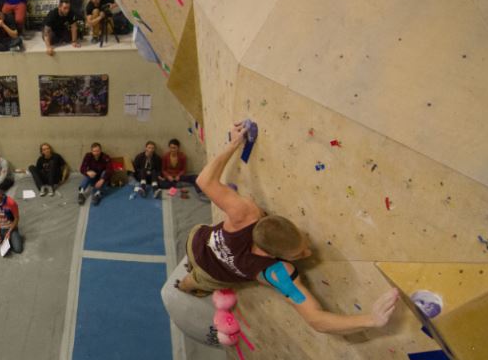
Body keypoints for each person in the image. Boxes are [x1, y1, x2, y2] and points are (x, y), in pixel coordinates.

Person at [169, 122, 399, 334]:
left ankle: (189, 276)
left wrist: (233, 143)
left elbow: (205, 181)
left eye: (304, 246)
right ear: (272, 255)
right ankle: (184, 286)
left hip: (198, 240)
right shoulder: (278, 272)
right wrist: (372, 320)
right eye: (298, 254)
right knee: (193, 281)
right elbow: (315, 320)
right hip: (211, 274)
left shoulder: (245, 213)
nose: (308, 253)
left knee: (198, 265)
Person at [0, 188, 23, 255]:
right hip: (0, 227)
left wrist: (9, 232)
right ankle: (5, 240)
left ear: (2, 193)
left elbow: (16, 219)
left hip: (10, 227)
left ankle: (10, 239)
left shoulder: (11, 203)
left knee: (18, 249)